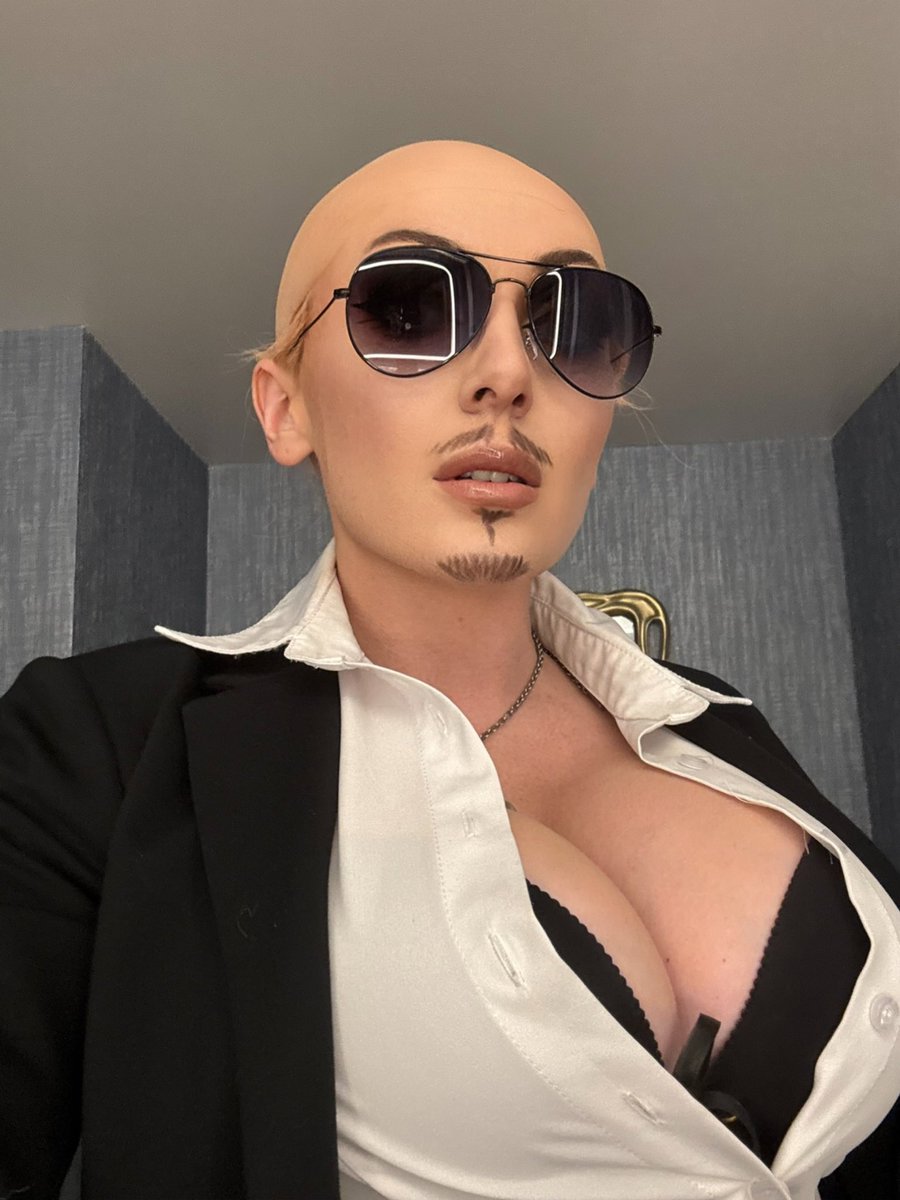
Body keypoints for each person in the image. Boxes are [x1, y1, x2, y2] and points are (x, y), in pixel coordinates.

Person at [1, 140, 898, 1200]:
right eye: (409, 308)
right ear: (286, 408)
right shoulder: (91, 750)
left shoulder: (716, 720)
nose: (509, 374)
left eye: (575, 321)